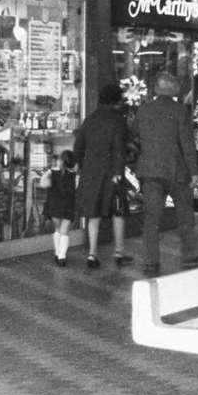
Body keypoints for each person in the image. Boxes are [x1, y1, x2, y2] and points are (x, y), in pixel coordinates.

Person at [130, 72, 198, 276]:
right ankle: (190, 254)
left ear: (156, 89)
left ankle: (151, 261)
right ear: (173, 90)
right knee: (185, 213)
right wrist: (194, 172)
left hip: (150, 170)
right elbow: (187, 143)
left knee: (151, 218)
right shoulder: (180, 111)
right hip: (176, 170)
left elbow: (135, 134)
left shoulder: (143, 109)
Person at [74, 83, 132, 269]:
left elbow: (79, 146)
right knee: (118, 211)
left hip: (91, 172)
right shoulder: (118, 121)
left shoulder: (89, 120)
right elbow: (119, 149)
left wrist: (80, 166)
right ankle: (118, 252)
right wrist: (118, 172)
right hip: (111, 172)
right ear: (116, 99)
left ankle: (92, 254)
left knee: (93, 213)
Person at [40, 149, 79, 267]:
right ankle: (62, 256)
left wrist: (45, 174)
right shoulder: (75, 176)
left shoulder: (52, 173)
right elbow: (76, 190)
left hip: (54, 205)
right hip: (68, 205)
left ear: (60, 161)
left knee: (57, 229)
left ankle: (58, 253)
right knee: (65, 231)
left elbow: (44, 184)